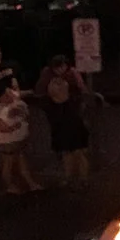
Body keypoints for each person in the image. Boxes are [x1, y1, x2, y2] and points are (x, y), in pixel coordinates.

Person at [37, 54, 91, 185]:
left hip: (66, 120)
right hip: (67, 120)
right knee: (73, 152)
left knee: (73, 152)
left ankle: (75, 178)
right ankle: (77, 178)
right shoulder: (68, 95)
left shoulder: (62, 82)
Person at [0, 80, 39, 195]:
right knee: (8, 163)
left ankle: (30, 183)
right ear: (0, 99)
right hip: (8, 142)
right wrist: (13, 127)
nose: (10, 96)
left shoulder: (13, 104)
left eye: (10, 93)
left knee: (22, 161)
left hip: (17, 139)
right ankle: (10, 186)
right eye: (7, 95)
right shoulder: (3, 111)